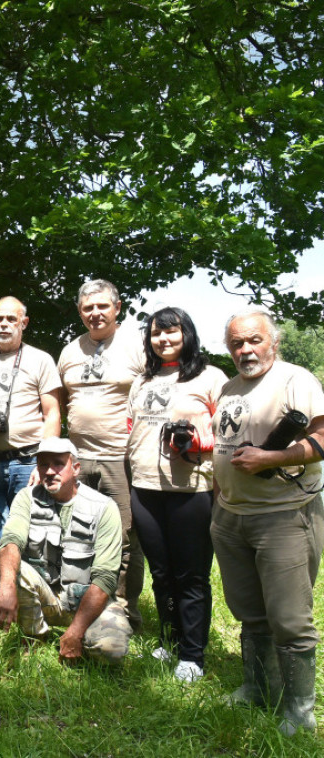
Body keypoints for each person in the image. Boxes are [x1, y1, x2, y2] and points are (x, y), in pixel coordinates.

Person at [210, 307, 324, 736]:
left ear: (272, 342)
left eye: (254, 340)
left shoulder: (296, 379)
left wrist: (274, 458)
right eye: (236, 342)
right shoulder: (228, 387)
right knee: (250, 613)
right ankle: (257, 688)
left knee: (290, 620)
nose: (245, 349)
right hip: (231, 516)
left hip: (283, 516)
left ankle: (299, 712)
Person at [126, 307, 226, 681]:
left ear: (187, 334)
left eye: (172, 332)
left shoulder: (211, 377)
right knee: (162, 572)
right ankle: (168, 640)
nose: (164, 339)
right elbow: (132, 428)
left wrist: (201, 442)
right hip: (145, 486)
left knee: (192, 574)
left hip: (191, 488)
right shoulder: (142, 380)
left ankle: (192, 654)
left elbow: (231, 434)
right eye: (156, 334)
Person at [0, 296, 61, 620]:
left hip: (28, 460)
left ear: (23, 323)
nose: (4, 324)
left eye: (11, 319)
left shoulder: (40, 360)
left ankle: (33, 604)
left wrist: (45, 463)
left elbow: (53, 413)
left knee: (32, 534)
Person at [0, 438, 131, 664]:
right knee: (13, 568)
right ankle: (35, 637)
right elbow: (10, 542)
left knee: (110, 652)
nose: (49, 471)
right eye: (43, 464)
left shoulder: (104, 507)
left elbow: (105, 578)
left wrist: (75, 632)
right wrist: (6, 588)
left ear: (75, 469)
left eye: (58, 464)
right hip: (44, 595)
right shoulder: (26, 498)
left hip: (85, 600)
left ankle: (80, 636)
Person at [58, 279, 147, 632]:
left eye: (102, 307)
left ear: (117, 307)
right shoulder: (70, 351)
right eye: (87, 308)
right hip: (78, 458)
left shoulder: (138, 345)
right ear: (80, 312)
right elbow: (63, 400)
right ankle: (84, 602)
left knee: (124, 538)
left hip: (120, 456)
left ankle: (124, 610)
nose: (95, 314)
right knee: (79, 532)